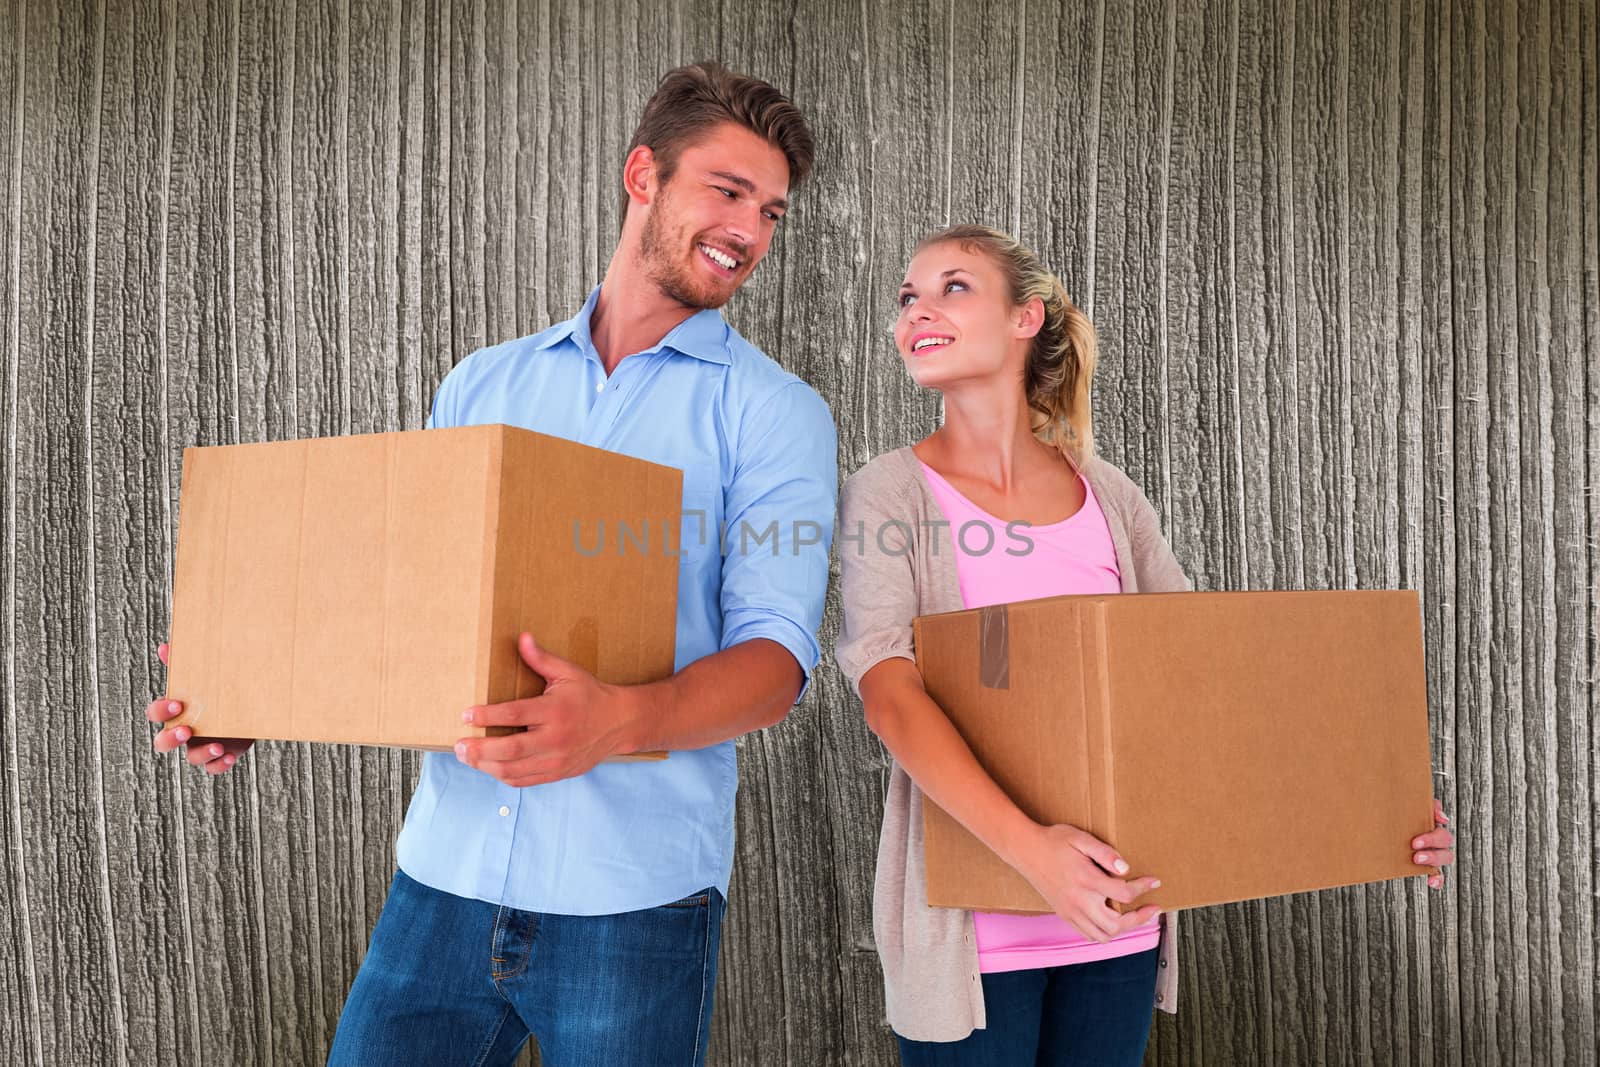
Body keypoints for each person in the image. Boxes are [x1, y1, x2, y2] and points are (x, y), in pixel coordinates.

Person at [145, 62, 837, 1066]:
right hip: (443, 881)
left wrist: (620, 719)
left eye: (770, 210)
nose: (750, 229)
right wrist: (265, 691)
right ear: (643, 174)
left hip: (632, 899)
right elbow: (414, 608)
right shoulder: (483, 384)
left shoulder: (775, 414)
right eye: (727, 191)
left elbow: (776, 661)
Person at [833, 224, 1455, 1065]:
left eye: (951, 287)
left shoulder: (1108, 496)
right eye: (907, 297)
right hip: (973, 940)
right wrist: (1037, 856)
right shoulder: (890, 491)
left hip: (1118, 924)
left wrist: (1374, 808)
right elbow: (887, 688)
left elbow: (1208, 679)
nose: (916, 311)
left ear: (1027, 318)